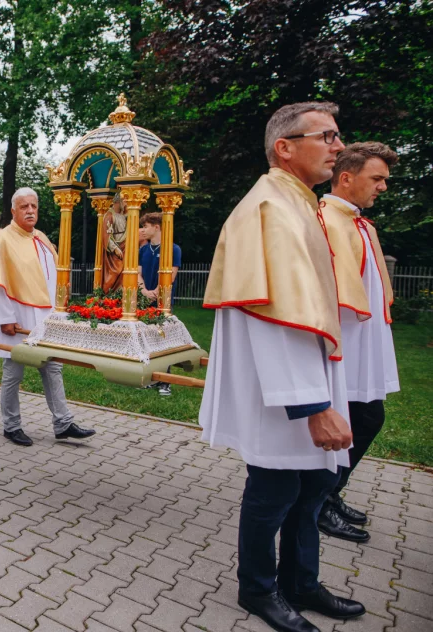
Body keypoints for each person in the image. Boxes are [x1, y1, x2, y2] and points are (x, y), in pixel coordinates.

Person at [200, 102, 364, 632]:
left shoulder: (298, 203)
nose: (339, 147)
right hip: (283, 389)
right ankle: (258, 589)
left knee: (312, 486)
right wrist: (312, 406)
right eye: (328, 136)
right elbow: (273, 312)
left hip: (306, 377)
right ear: (285, 147)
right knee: (274, 488)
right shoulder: (270, 207)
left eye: (338, 137)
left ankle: (301, 580)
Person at [317, 142, 401, 544]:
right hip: (344, 341)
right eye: (377, 178)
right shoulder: (326, 219)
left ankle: (329, 494)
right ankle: (321, 501)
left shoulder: (359, 223)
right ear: (346, 177)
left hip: (365, 338)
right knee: (359, 420)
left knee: (367, 417)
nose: (383, 187)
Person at [0, 187, 96, 447]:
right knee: (14, 372)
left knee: (54, 366)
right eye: (24, 207)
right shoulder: (2, 239)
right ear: (13, 211)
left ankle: (63, 423)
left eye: (34, 206)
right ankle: (11, 426)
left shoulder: (42, 238)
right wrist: (4, 318)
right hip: (17, 317)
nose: (30, 210)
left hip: (46, 317)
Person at [138, 212, 182, 396]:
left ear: (156, 227)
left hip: (163, 301)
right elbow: (137, 274)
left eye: (145, 226)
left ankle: (166, 381)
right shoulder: (143, 250)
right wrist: (144, 292)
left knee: (164, 338)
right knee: (148, 338)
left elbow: (171, 274)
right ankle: (152, 377)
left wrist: (157, 291)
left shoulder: (173, 249)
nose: (142, 230)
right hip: (145, 299)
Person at [102, 197, 128, 294]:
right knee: (115, 272)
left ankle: (117, 295)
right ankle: (105, 296)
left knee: (122, 273)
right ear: (118, 201)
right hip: (115, 249)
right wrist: (115, 248)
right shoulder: (109, 215)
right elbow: (106, 234)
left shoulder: (122, 215)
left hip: (124, 246)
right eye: (124, 200)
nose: (126, 203)